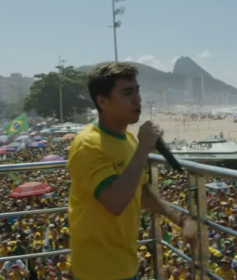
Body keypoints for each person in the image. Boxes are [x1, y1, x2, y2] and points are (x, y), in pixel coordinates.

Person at [67, 62, 195, 280]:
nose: (138, 99)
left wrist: (179, 219)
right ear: (102, 102)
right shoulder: (88, 144)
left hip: (126, 264)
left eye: (137, 91)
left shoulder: (126, 140)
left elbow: (142, 192)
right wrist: (144, 148)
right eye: (127, 93)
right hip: (97, 271)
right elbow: (115, 202)